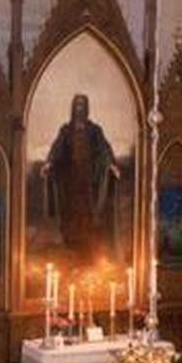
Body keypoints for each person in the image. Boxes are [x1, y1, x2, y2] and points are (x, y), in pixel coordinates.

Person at [42, 93, 119, 259]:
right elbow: (57, 148)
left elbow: (104, 148)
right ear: (73, 108)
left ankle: (87, 250)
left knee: (88, 215)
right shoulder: (66, 130)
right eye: (77, 105)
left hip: (89, 181)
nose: (79, 108)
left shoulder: (94, 130)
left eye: (82, 105)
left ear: (86, 108)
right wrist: (49, 162)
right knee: (70, 214)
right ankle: (71, 246)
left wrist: (111, 164)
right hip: (70, 181)